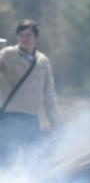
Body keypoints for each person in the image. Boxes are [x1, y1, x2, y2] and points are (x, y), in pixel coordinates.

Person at [0, 19, 59, 161]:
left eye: (28, 35)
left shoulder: (43, 61)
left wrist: (54, 121)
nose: (24, 39)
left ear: (35, 37)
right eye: (21, 35)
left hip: (31, 117)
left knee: (32, 160)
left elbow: (49, 94)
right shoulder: (7, 54)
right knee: (6, 160)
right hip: (9, 116)